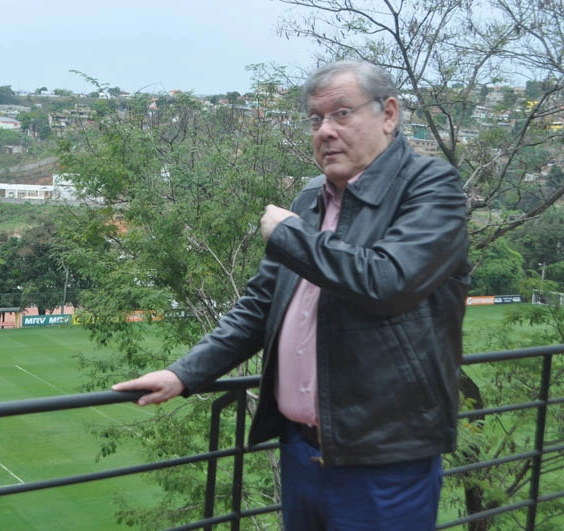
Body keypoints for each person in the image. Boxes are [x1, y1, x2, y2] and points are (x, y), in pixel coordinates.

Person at [112, 60, 470, 530]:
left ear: (388, 114)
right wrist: (183, 373)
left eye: (342, 114)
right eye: (315, 119)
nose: (325, 131)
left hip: (383, 458)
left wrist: (291, 237)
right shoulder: (309, 200)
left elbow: (388, 282)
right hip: (301, 451)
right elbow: (260, 306)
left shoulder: (431, 187)